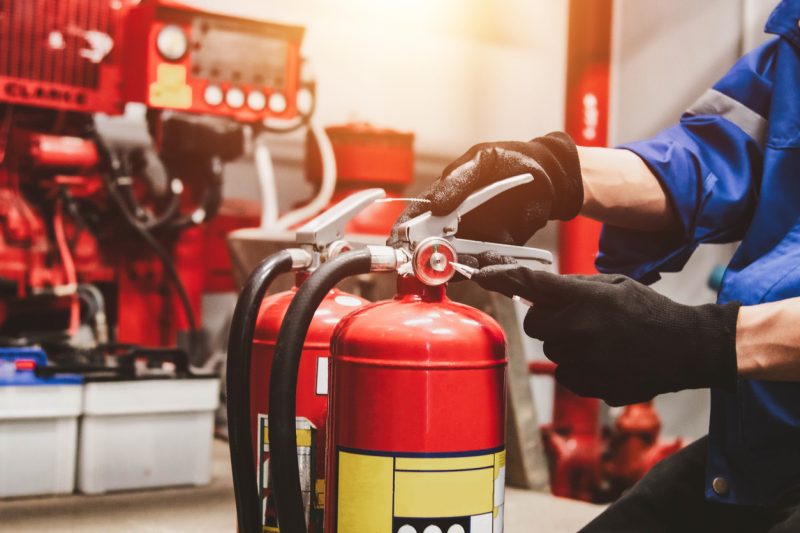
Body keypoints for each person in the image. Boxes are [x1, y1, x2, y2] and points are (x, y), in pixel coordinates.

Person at [392, 1, 800, 530]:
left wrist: (706, 341)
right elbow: (710, 160)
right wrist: (556, 172)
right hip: (773, 443)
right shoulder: (794, 45)